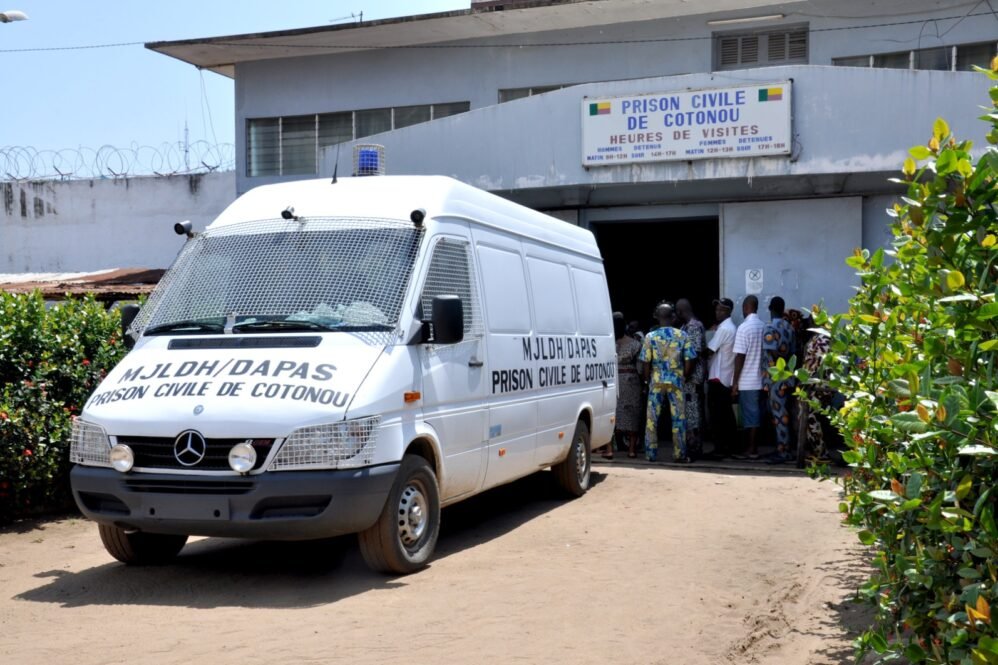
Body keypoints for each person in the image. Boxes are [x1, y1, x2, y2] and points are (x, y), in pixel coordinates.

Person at [640, 302, 695, 463]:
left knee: (652, 418)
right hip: (676, 380)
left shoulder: (650, 336)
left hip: (656, 380)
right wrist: (683, 375)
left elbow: (645, 361)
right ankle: (679, 453)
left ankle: (650, 453)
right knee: (678, 418)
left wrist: (645, 380)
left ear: (657, 317)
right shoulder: (682, 335)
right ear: (672, 316)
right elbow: (690, 359)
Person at [762, 296, 796, 463]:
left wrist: (778, 360)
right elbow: (795, 351)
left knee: (779, 414)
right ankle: (783, 448)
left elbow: (773, 351)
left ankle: (783, 452)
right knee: (784, 413)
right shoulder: (789, 327)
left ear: (770, 308)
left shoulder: (769, 327)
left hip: (776, 377)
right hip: (788, 377)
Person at [731, 295, 765, 460]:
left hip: (747, 380)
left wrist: (735, 382)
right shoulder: (763, 326)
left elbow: (739, 357)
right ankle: (752, 447)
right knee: (756, 414)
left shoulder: (744, 328)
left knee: (750, 416)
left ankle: (751, 450)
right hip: (761, 380)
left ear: (745, 308)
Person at [705, 297, 737, 458]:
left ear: (728, 311)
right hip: (725, 377)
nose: (717, 312)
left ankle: (719, 449)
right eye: (717, 309)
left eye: (721, 309)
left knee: (717, 417)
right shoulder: (729, 327)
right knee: (725, 415)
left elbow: (710, 350)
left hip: (718, 378)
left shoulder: (724, 329)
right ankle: (728, 447)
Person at [676, 298, 706, 460]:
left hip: (692, 379)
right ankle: (690, 447)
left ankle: (694, 450)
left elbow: (692, 355)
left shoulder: (693, 327)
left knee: (693, 414)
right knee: (688, 414)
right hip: (689, 378)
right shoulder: (685, 327)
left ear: (681, 312)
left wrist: (685, 375)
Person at [611, 312, 643, 459]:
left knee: (612, 413)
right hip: (631, 382)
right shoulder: (635, 344)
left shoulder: (607, 344)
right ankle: (631, 450)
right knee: (632, 413)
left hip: (612, 383)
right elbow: (641, 368)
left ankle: (609, 449)